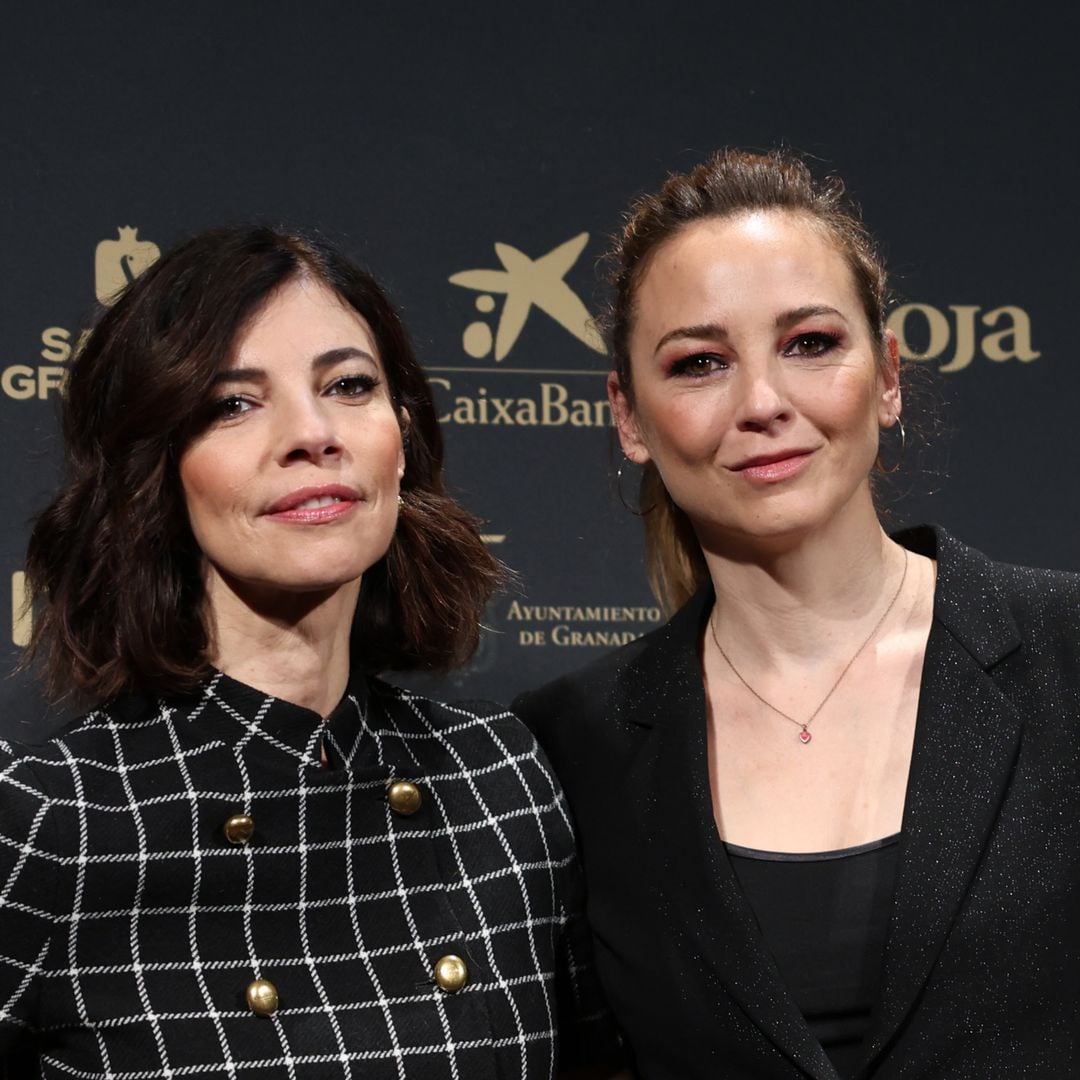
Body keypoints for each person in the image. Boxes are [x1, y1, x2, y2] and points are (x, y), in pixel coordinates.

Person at [0, 226, 622, 1078]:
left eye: (349, 386)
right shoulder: (55, 823)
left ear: (402, 438)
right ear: (156, 472)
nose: (312, 433)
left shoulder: (501, 779)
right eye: (233, 403)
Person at [514, 150, 1080, 1078]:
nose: (763, 403)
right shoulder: (568, 748)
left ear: (889, 376)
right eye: (699, 363)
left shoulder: (1066, 654)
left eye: (810, 343)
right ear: (628, 417)